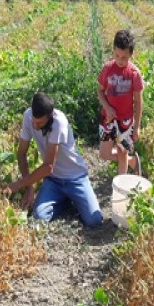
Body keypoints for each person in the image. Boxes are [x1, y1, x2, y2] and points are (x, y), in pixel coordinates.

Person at [7, 92, 103, 227]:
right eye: (34, 121)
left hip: (75, 178)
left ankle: (72, 197)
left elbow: (48, 167)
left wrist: (19, 184)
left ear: (49, 116)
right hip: (53, 181)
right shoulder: (28, 116)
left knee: (95, 221)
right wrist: (29, 189)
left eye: (39, 122)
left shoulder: (59, 122)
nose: (35, 125)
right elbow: (21, 153)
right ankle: (65, 201)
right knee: (38, 218)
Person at [97, 29, 144, 174]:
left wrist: (136, 127)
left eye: (124, 57)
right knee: (104, 154)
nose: (120, 60)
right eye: (117, 55)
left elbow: (138, 102)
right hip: (108, 119)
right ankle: (132, 161)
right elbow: (99, 91)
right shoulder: (107, 69)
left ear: (131, 54)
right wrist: (107, 107)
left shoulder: (134, 74)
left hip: (126, 122)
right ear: (113, 51)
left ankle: (119, 193)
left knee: (122, 153)